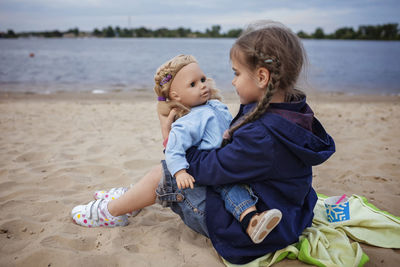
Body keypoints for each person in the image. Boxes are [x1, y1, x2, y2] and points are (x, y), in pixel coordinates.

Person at [71, 20, 335, 264]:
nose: (232, 81)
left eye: (237, 73)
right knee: (179, 166)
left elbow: (210, 168)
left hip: (253, 227)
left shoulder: (262, 136)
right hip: (291, 212)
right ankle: (131, 197)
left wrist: (169, 136)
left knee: (167, 173)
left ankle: (112, 211)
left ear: (262, 77)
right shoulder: (291, 109)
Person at [72, 54, 282, 244]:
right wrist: (180, 171)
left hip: (220, 167)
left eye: (202, 79)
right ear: (177, 95)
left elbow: (229, 126)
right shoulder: (187, 122)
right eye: (193, 84)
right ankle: (124, 202)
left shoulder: (215, 106)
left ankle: (127, 200)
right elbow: (174, 150)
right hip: (214, 168)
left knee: (231, 189)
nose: (202, 85)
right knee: (223, 187)